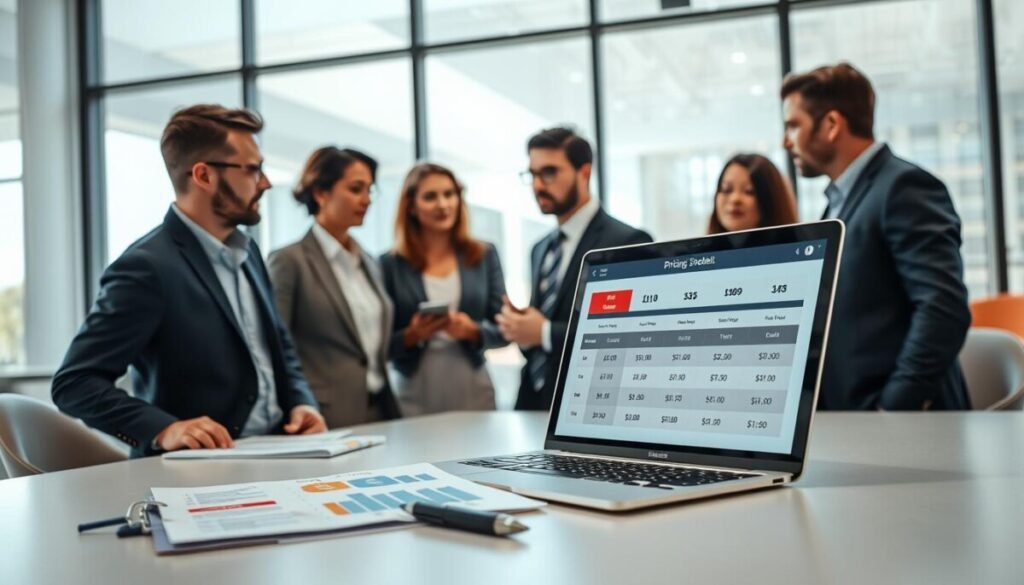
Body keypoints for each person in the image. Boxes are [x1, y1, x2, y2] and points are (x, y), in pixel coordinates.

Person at [51, 104, 326, 457]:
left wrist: (301, 404)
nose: (266, 182)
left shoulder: (249, 252)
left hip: (278, 453)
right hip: (197, 474)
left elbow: (279, 349)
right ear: (204, 176)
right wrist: (164, 428)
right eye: (253, 169)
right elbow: (74, 384)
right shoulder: (146, 267)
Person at [781, 62, 971, 410]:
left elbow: (942, 308)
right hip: (853, 422)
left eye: (793, 125)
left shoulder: (903, 187)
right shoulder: (840, 201)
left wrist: (893, 408)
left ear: (832, 125)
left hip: (900, 431)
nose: (786, 140)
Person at [499, 127, 654, 411]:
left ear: (584, 172)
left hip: (587, 408)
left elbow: (626, 336)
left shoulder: (627, 241)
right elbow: (539, 338)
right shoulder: (540, 248)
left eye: (549, 172)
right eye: (532, 174)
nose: (537, 185)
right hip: (531, 404)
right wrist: (521, 328)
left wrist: (544, 332)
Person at [268, 147, 401, 428]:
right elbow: (277, 346)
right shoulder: (289, 261)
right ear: (320, 193)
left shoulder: (369, 262)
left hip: (382, 409)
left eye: (369, 190)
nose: (366, 200)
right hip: (325, 416)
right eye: (355, 189)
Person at [379, 163, 508, 415]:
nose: (443, 204)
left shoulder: (483, 255)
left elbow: (504, 329)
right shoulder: (389, 264)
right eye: (430, 197)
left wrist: (472, 331)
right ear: (412, 206)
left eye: (450, 194)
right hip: (413, 391)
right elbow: (377, 345)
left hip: (473, 386)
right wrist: (412, 335)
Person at [707, 153, 798, 233]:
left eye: (749, 191)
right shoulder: (703, 251)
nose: (735, 199)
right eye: (726, 189)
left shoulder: (793, 249)